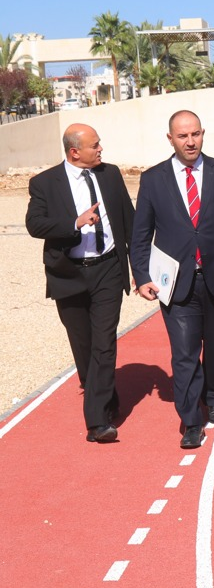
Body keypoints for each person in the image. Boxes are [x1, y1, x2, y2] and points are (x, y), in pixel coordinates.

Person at [130, 111, 214, 450]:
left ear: (203, 134)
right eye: (183, 136)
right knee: (184, 353)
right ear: (170, 138)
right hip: (175, 284)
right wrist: (141, 276)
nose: (190, 142)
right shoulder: (153, 179)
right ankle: (191, 421)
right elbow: (140, 234)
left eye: (195, 134)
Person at [26, 124, 135, 443]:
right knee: (83, 345)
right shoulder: (44, 183)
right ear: (75, 152)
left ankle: (97, 422)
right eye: (94, 145)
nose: (101, 149)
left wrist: (141, 269)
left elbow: (129, 220)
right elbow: (35, 225)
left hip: (108, 269)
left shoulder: (110, 174)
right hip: (68, 274)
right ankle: (106, 397)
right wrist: (74, 223)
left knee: (104, 341)